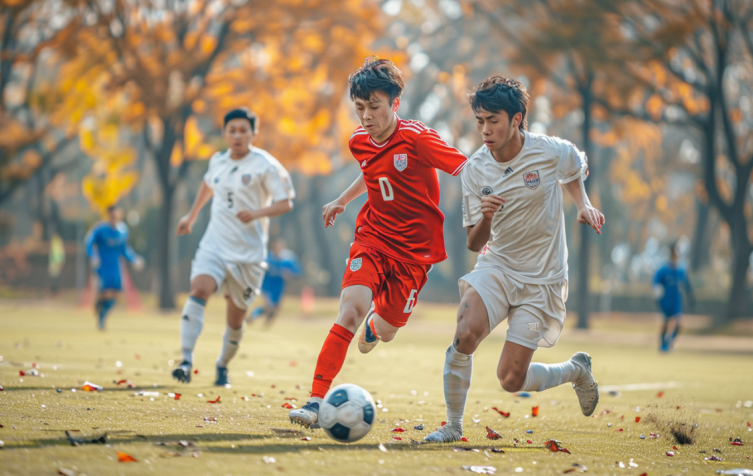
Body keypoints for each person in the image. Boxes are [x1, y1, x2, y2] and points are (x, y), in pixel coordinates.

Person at [289, 57, 469, 428]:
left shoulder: (418, 139)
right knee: (350, 310)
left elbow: (466, 166)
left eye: (374, 107)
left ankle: (376, 326)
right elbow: (371, 172)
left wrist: (490, 197)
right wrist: (343, 199)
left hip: (415, 254)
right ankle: (314, 401)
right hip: (372, 239)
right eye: (359, 108)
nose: (366, 116)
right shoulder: (358, 141)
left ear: (394, 104)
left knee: (386, 331)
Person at [424, 77, 606, 443]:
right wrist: (487, 217)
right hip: (498, 266)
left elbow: (573, 168)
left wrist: (583, 204)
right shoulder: (475, 170)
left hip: (543, 278)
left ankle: (575, 371)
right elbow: (475, 243)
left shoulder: (550, 150)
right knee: (464, 333)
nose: (485, 130)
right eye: (480, 121)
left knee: (510, 379)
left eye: (493, 120)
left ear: (517, 119)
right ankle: (452, 426)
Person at [173, 107, 295, 387]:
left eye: (243, 130)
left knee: (236, 319)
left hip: (248, 256)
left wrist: (256, 213)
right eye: (232, 130)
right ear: (225, 133)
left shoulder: (265, 165)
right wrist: (191, 217)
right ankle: (186, 360)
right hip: (214, 245)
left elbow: (285, 202)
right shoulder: (217, 161)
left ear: (254, 133)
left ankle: (222, 365)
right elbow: (208, 185)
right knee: (199, 289)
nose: (237, 135)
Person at [85, 205, 144, 330]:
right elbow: (89, 242)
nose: (114, 217)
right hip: (102, 266)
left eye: (116, 214)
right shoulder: (100, 229)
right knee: (106, 292)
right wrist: (93, 256)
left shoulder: (123, 230)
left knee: (116, 294)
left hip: (116, 267)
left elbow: (124, 249)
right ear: (108, 215)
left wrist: (134, 259)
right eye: (112, 215)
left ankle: (101, 308)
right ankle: (101, 313)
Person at [248, 238, 302, 327]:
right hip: (266, 286)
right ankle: (254, 317)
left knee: (275, 308)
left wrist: (289, 274)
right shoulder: (268, 258)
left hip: (279, 287)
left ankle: (260, 318)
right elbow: (259, 268)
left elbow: (297, 271)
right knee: (269, 306)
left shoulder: (288, 259)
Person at [653, 243, 695, 352]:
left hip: (677, 301)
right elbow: (656, 281)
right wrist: (657, 293)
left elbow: (687, 285)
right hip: (666, 300)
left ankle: (669, 342)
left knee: (678, 323)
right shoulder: (664, 270)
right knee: (665, 322)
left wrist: (691, 297)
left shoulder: (681, 271)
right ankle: (663, 344)